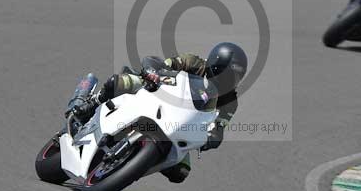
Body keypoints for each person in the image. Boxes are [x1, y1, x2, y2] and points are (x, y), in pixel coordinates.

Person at [70, 42, 247, 183]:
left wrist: (211, 139)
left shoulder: (230, 102)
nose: (231, 81)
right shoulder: (193, 63)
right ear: (216, 65)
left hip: (180, 126)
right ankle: (90, 103)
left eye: (237, 77)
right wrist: (153, 72)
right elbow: (161, 64)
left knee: (181, 172)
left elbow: (219, 128)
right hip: (156, 95)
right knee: (118, 82)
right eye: (229, 74)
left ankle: (131, 168)